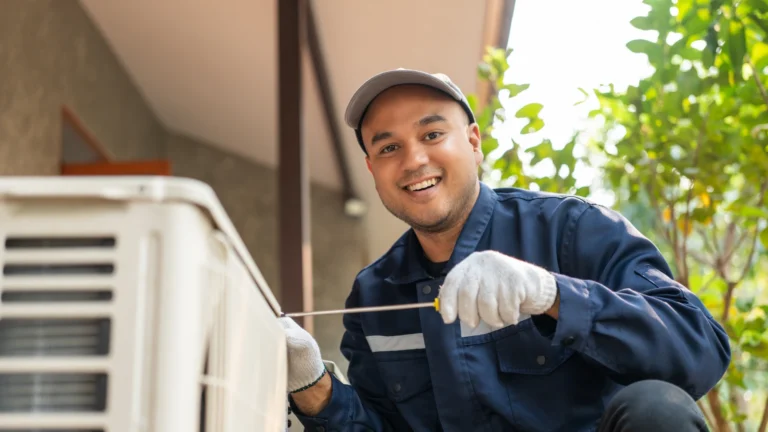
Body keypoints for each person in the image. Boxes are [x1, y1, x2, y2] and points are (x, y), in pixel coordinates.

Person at [279, 68, 730, 431]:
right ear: (372, 169)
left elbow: (700, 349)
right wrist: (312, 386)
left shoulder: (570, 230)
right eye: (390, 147)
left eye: (432, 135)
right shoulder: (374, 296)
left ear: (474, 142)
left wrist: (553, 294)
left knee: (655, 406)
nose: (414, 160)